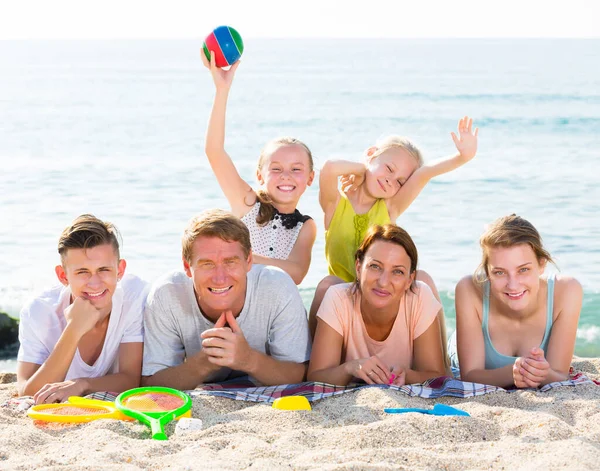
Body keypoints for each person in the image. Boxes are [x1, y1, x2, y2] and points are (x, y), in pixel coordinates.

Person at [308, 118, 478, 365]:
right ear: (370, 156)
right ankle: (312, 360)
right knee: (326, 285)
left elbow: (425, 173)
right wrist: (361, 169)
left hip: (383, 289)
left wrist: (462, 157)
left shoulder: (390, 207)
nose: (391, 180)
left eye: (400, 181)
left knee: (424, 280)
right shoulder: (335, 204)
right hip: (345, 295)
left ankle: (441, 363)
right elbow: (330, 167)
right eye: (388, 168)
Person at [141, 209, 311, 389]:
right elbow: (151, 383)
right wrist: (204, 363)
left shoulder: (277, 286)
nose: (220, 278)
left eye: (230, 262)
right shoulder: (167, 294)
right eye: (207, 264)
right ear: (187, 267)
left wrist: (248, 360)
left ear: (249, 261)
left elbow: (299, 374)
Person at [201, 51, 316, 285]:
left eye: (296, 169)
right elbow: (214, 151)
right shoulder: (248, 205)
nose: (286, 176)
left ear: (310, 178)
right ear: (259, 176)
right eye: (276, 168)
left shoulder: (306, 226)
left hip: (274, 304)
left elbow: (297, 273)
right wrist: (222, 90)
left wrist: (241, 258)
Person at [16, 214, 148, 403]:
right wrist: (74, 329)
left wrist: (82, 384)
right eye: (82, 272)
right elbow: (28, 393)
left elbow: (130, 379)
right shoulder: (38, 312)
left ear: (120, 270)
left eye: (104, 270)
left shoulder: (134, 296)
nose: (95, 283)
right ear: (63, 275)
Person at [307, 224, 446, 386]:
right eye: (375, 266)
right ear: (358, 268)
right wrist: (350, 368)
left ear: (409, 279)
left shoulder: (419, 296)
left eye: (398, 271)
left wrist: (407, 375)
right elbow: (316, 377)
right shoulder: (338, 298)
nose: (383, 282)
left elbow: (436, 375)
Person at [454, 214, 583, 388]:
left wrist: (539, 372)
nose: (513, 285)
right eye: (499, 272)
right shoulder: (469, 289)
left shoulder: (566, 291)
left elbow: (559, 376)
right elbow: (469, 375)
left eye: (523, 270)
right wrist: (514, 372)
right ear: (487, 272)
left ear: (541, 265)